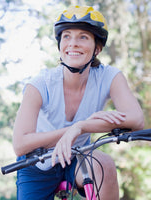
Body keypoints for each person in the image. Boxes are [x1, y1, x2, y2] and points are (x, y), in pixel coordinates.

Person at [12, 5, 144, 200]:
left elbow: (136, 120)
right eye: (66, 36)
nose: (73, 43)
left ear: (97, 48)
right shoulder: (40, 84)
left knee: (105, 165)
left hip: (77, 157)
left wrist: (81, 127)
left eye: (83, 36)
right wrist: (71, 130)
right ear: (60, 45)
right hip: (37, 165)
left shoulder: (109, 76)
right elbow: (20, 143)